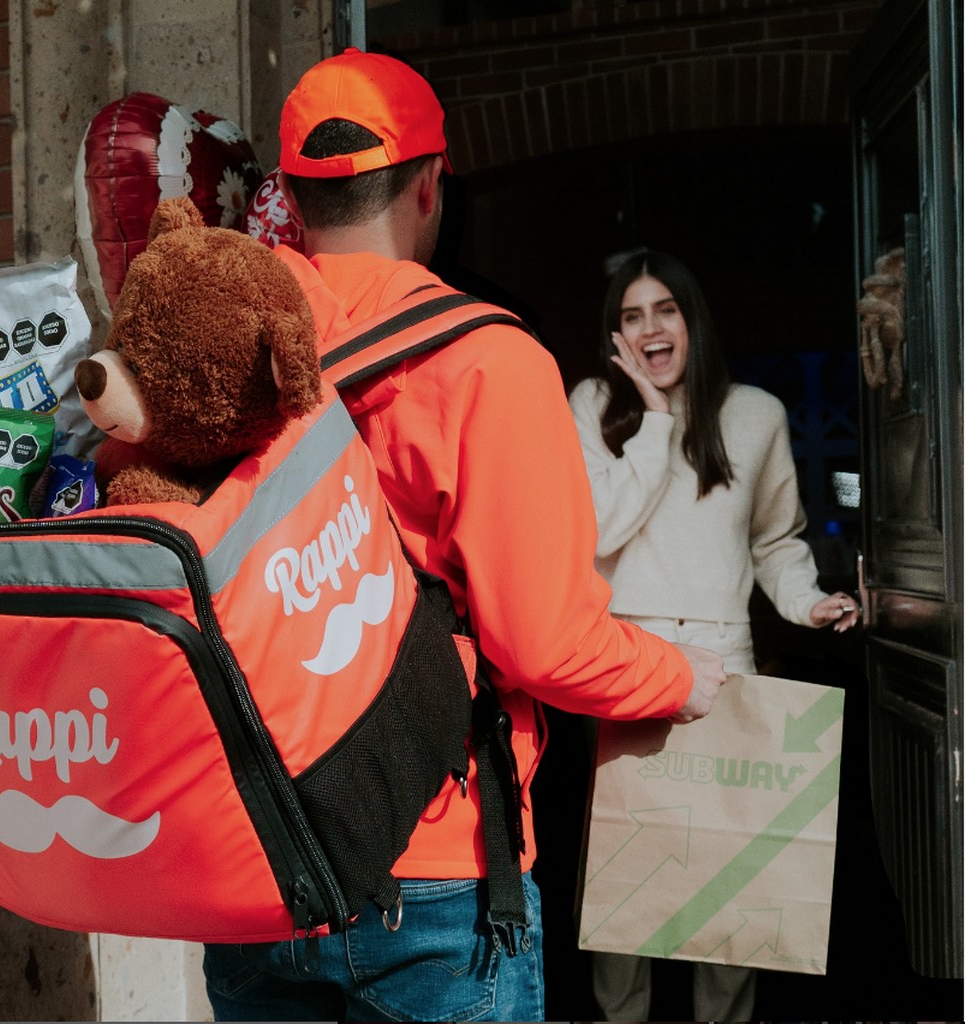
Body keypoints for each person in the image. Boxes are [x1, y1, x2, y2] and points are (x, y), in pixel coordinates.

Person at [200, 49, 727, 1022]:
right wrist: (682, 678)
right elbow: (546, 644)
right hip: (432, 870)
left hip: (254, 861)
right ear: (431, 186)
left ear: (293, 197)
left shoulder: (220, 356)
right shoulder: (488, 360)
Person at [568, 247, 860, 1023]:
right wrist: (655, 422)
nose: (651, 330)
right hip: (626, 664)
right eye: (632, 317)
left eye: (665, 310)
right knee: (626, 883)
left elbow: (775, 541)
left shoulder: (757, 414)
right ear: (615, 335)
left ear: (692, 319)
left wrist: (808, 603)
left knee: (734, 884)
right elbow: (598, 532)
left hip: (726, 665)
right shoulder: (592, 404)